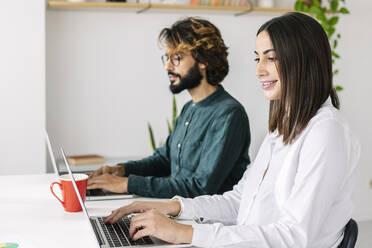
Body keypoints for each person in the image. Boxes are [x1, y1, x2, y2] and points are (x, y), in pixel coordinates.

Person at [103, 12, 361, 247]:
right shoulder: (282, 129)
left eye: (271, 58)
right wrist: (172, 207)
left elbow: (294, 236)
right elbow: (239, 201)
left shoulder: (326, 132)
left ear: (303, 60)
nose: (259, 70)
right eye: (257, 58)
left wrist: (185, 233)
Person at [87, 17, 251, 198]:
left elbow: (201, 187)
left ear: (203, 60)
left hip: (207, 222)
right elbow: (164, 160)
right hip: (180, 213)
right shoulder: (189, 108)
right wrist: (121, 170)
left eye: (177, 58)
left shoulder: (228, 114)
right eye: (167, 58)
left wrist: (127, 184)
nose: (167, 66)